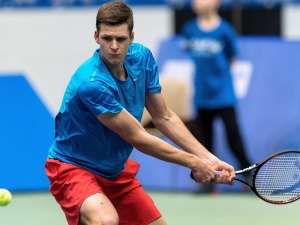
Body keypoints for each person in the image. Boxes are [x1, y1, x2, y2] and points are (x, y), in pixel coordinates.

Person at [44, 2, 235, 225]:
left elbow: (164, 117)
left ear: (131, 37)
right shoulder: (92, 83)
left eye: (121, 39)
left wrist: (209, 159)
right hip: (73, 167)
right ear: (96, 37)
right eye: (107, 38)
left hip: (115, 170)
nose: (114, 46)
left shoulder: (142, 58)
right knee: (105, 220)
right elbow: (139, 138)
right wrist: (194, 163)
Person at [181, 0, 251, 193]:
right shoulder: (189, 29)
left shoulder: (225, 30)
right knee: (205, 143)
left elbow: (231, 58)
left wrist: (218, 80)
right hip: (202, 97)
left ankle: (249, 176)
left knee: (233, 137)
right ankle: (209, 183)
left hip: (223, 95)